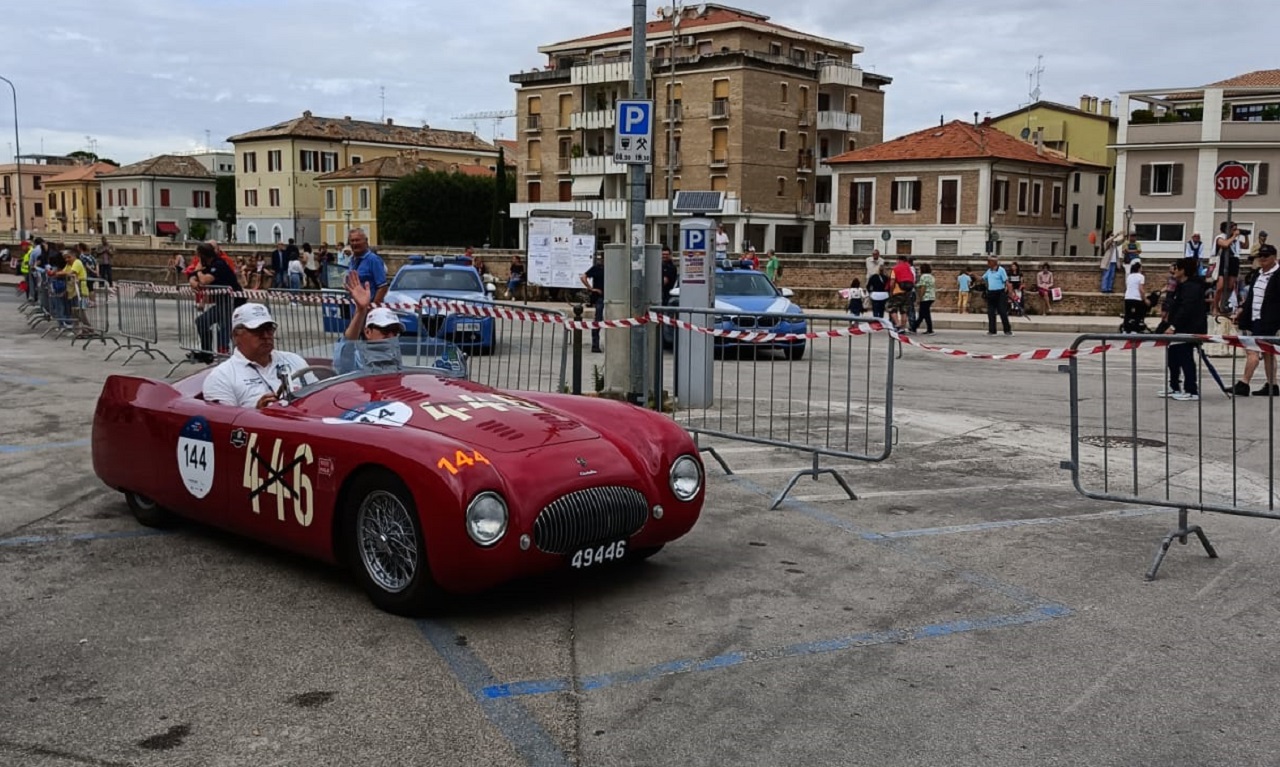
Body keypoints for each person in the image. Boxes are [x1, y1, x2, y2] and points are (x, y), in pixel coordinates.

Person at [202, 303, 309, 408]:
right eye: (257, 330)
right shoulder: (222, 377)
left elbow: (319, 398)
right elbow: (224, 421)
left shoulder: (294, 360)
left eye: (269, 329)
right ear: (236, 336)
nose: (266, 335)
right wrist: (257, 413)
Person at [334, 271, 404, 375]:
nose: (391, 336)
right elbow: (347, 350)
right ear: (368, 332)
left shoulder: (394, 356)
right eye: (385, 330)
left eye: (395, 331)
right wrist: (361, 311)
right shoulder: (357, 358)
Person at [1158, 257, 1209, 401]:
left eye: (1177, 268)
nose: (1174, 271)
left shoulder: (1192, 287)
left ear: (1183, 270)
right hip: (1178, 328)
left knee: (1186, 358)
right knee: (1173, 358)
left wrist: (1174, 326)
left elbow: (1187, 309)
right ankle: (1174, 386)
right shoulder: (1181, 285)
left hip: (1189, 328)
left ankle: (1191, 390)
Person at [1233, 244, 1279, 397]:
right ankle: (1272, 385)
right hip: (1254, 317)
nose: (1262, 259)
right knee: (1268, 353)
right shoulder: (1257, 274)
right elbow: (1251, 296)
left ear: (1274, 257)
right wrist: (1242, 309)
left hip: (1268, 319)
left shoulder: (1278, 275)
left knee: (1252, 350)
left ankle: (1244, 383)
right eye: (1261, 256)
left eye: (1266, 256)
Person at [188, 242, 242, 364]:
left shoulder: (219, 264)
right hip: (221, 302)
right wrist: (193, 280)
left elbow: (205, 280)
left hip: (233, 302)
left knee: (224, 326)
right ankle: (207, 353)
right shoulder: (210, 264)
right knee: (201, 321)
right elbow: (192, 276)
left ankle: (224, 353)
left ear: (203, 255)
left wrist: (198, 271)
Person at [346, 228, 389, 303]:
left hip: (368, 310)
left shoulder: (373, 260)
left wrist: (372, 308)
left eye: (357, 240)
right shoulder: (352, 260)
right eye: (352, 241)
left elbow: (382, 287)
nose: (355, 243)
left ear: (366, 241)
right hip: (354, 310)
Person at [1215, 222, 1247, 315]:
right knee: (1220, 287)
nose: (1235, 231)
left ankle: (1224, 304)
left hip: (1234, 260)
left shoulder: (1236, 240)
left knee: (1230, 286)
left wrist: (1246, 236)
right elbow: (1225, 244)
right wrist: (1233, 236)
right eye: (1233, 229)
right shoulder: (1221, 237)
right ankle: (1215, 307)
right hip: (1224, 260)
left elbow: (1246, 246)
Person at [581, 252, 605, 353]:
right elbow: (583, 277)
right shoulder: (597, 268)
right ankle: (595, 344)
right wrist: (591, 289)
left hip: (608, 297)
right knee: (598, 320)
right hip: (600, 297)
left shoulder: (614, 268)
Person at [982, 255, 1012, 335]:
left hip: (1000, 293)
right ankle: (992, 330)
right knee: (991, 312)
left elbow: (1007, 282)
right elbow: (983, 278)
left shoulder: (1001, 270)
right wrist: (973, 275)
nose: (987, 263)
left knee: (1002, 312)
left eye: (989, 261)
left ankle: (1007, 330)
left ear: (994, 263)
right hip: (991, 293)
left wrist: (1010, 294)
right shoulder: (989, 271)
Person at [887, 254, 915, 333]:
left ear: (899, 260)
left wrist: (891, 292)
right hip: (907, 292)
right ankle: (903, 328)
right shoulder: (908, 268)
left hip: (897, 292)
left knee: (892, 309)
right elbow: (913, 280)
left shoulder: (895, 268)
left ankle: (898, 324)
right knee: (904, 311)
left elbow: (892, 282)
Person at [910, 263, 936, 334]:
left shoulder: (923, 277)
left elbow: (923, 287)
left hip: (925, 297)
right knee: (923, 313)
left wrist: (920, 298)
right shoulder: (931, 276)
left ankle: (916, 327)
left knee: (924, 314)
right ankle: (915, 327)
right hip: (931, 297)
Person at [1123, 261, 1147, 333]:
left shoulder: (1129, 276)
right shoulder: (1141, 276)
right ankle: (1135, 329)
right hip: (1137, 298)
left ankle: (1126, 329)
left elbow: (1128, 286)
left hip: (1128, 297)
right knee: (1138, 314)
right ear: (1139, 269)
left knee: (1128, 314)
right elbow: (1141, 289)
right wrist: (1144, 298)